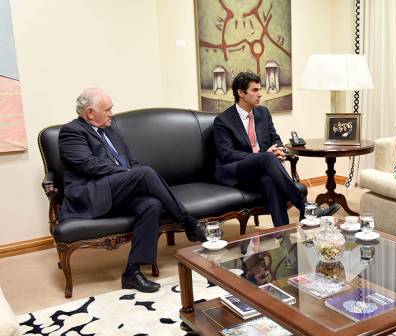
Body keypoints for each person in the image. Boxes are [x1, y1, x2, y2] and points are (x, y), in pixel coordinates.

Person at [58, 88, 207, 293]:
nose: (112, 113)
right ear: (90, 113)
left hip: (116, 191)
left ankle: (132, 272)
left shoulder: (111, 130)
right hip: (91, 194)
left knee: (151, 204)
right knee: (143, 173)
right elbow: (88, 165)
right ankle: (189, 223)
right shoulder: (71, 132)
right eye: (107, 109)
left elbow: (131, 161)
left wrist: (129, 171)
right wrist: (127, 173)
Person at [213, 72, 340, 226]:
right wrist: (263, 156)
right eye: (254, 90)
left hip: (262, 169)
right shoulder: (223, 121)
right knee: (266, 158)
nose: (260, 94)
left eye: (260, 89)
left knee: (269, 181)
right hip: (235, 171)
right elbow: (227, 154)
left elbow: (275, 138)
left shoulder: (263, 112)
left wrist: (279, 150)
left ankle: (283, 235)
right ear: (240, 92)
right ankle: (305, 207)